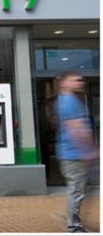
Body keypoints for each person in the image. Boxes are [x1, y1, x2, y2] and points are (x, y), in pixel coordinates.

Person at [56, 71, 97, 233]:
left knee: (79, 190)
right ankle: (73, 226)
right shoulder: (68, 101)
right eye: (76, 80)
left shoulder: (68, 100)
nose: (81, 82)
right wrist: (88, 151)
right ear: (64, 83)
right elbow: (76, 129)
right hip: (74, 155)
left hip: (74, 154)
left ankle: (72, 219)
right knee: (77, 191)